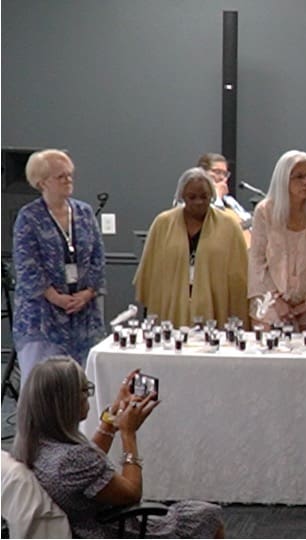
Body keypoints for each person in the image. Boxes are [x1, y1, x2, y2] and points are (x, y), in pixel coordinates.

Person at [11, 357, 225, 538]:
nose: (88, 396)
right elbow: (132, 494)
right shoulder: (71, 460)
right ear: (66, 403)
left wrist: (111, 417)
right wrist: (128, 434)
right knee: (207, 515)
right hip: (108, 529)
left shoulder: (38, 443)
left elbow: (86, 468)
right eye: (86, 390)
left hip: (85, 523)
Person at [11, 150, 107, 383]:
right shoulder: (29, 217)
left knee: (83, 386)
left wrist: (87, 293)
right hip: (42, 318)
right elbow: (27, 265)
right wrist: (56, 297)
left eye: (70, 175)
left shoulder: (84, 213)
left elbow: (98, 256)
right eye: (60, 176)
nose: (68, 180)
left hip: (83, 315)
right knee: (44, 388)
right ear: (42, 182)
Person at [134, 168, 249, 328]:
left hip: (214, 303)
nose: (198, 202)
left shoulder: (228, 225)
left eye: (204, 196)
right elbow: (151, 270)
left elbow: (239, 276)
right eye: (192, 197)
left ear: (212, 196)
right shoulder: (163, 223)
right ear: (182, 196)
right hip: (173, 302)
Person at [247, 151, 306, 330]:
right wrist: (277, 301)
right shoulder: (265, 211)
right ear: (283, 180)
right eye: (299, 177)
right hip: (270, 304)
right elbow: (257, 261)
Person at [197, 152, 252, 228]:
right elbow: (213, 223)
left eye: (225, 174)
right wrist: (217, 196)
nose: (222, 178)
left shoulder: (230, 201)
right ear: (201, 173)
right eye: (217, 172)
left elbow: (245, 221)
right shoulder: (191, 199)